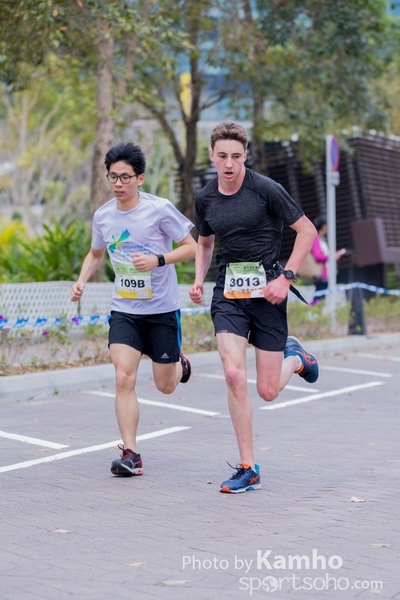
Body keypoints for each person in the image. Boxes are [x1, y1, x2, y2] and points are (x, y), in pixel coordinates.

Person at [189, 121, 319, 494]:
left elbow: (307, 230)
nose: (229, 164)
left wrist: (286, 278)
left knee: (267, 390)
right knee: (233, 374)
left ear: (245, 155)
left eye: (236, 156)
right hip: (228, 294)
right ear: (212, 156)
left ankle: (295, 358)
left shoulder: (266, 189)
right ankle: (248, 467)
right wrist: (198, 279)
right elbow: (204, 243)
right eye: (222, 156)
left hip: (268, 294)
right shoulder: (205, 197)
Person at [71, 142, 197, 477]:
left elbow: (191, 248)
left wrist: (158, 259)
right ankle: (131, 453)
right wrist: (81, 280)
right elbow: (96, 253)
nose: (118, 183)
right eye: (113, 176)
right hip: (124, 310)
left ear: (140, 178)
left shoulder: (160, 210)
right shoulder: (103, 216)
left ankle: (179, 362)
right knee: (123, 377)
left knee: (166, 386)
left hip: (162, 310)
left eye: (125, 177)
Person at [310, 215, 346, 305]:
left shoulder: (321, 239)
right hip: (321, 274)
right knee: (318, 300)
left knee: (320, 299)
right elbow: (318, 256)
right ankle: (311, 312)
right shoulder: (316, 238)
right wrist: (332, 257)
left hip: (324, 274)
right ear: (324, 226)